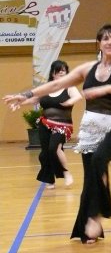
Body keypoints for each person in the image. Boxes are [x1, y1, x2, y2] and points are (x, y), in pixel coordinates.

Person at [3, 23, 111, 244]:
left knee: (98, 161)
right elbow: (55, 85)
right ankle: (85, 229)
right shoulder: (87, 69)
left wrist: (106, 89)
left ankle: (98, 213)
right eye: (105, 38)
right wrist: (25, 95)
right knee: (91, 177)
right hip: (91, 127)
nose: (110, 42)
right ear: (99, 43)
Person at [10, 60, 82, 189]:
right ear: (53, 73)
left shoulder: (70, 87)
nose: (62, 73)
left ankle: (66, 172)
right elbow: (34, 99)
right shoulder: (47, 87)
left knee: (54, 148)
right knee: (45, 153)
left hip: (63, 125)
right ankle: (49, 179)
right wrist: (19, 103)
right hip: (45, 123)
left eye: (64, 71)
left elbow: (78, 97)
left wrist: (70, 102)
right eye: (59, 71)